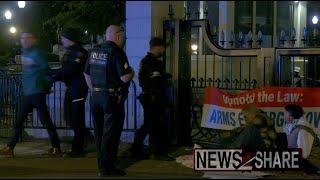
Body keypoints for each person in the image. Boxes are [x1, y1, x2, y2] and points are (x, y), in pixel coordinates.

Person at [0, 28, 63, 157]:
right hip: (29, 93)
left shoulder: (37, 54)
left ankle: (56, 148)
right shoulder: (25, 53)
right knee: (19, 120)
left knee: (44, 120)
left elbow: (46, 70)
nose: (24, 41)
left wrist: (46, 86)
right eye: (22, 38)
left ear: (33, 40)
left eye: (27, 38)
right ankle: (10, 148)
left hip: (37, 92)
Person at [83, 25, 134, 176]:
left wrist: (94, 89)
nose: (124, 39)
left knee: (99, 132)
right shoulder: (116, 52)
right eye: (123, 36)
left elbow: (86, 74)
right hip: (112, 99)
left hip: (95, 97)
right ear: (118, 36)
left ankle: (102, 164)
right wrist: (132, 72)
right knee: (110, 134)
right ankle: (106, 168)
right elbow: (124, 77)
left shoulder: (94, 51)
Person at [49, 27, 93, 157]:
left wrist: (50, 72)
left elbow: (70, 70)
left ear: (69, 39)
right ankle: (87, 138)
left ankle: (77, 149)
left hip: (78, 90)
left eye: (63, 37)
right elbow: (64, 71)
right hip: (71, 89)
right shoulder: (69, 52)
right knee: (68, 117)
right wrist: (53, 77)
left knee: (76, 119)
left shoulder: (80, 53)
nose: (61, 40)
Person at [130, 37, 173, 161]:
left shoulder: (149, 61)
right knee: (155, 125)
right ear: (157, 47)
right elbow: (146, 80)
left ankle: (137, 149)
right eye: (163, 47)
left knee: (150, 124)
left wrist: (163, 76)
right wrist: (161, 78)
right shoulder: (150, 62)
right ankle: (155, 151)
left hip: (152, 97)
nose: (164, 50)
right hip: (152, 98)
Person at [283, 104, 320, 175]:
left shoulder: (303, 130)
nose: (284, 116)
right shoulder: (293, 127)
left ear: (291, 116)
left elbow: (303, 155)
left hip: (313, 165)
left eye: (285, 113)